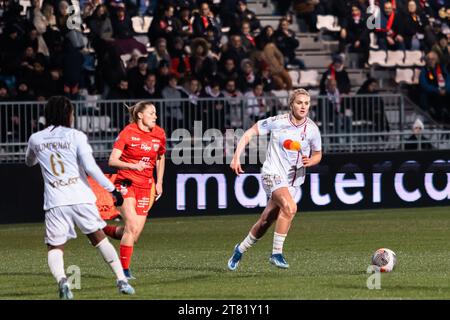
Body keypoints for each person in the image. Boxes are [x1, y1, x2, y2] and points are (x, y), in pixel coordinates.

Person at [24, 96, 135, 299]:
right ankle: (122, 280)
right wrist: (112, 189)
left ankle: (63, 281)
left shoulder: (36, 138)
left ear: (47, 115)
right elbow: (91, 167)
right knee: (99, 240)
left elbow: (29, 162)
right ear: (68, 114)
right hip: (81, 197)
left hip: (56, 200)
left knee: (55, 247)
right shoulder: (76, 136)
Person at [227, 88, 322, 270]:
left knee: (265, 221)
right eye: (299, 102)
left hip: (293, 182)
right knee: (290, 207)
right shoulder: (277, 122)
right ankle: (276, 253)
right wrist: (236, 157)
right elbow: (248, 134)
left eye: (306, 103)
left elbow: (318, 154)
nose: (303, 107)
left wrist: (310, 161)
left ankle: (239, 249)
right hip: (272, 174)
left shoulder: (312, 129)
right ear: (291, 104)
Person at [103, 101, 166, 279]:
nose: (155, 116)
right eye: (152, 113)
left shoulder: (159, 133)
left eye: (155, 113)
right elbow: (112, 160)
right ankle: (123, 272)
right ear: (140, 115)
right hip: (125, 183)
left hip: (146, 186)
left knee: (133, 234)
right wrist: (133, 165)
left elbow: (161, 157)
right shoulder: (127, 133)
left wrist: (159, 181)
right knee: (131, 225)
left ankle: (100, 229)